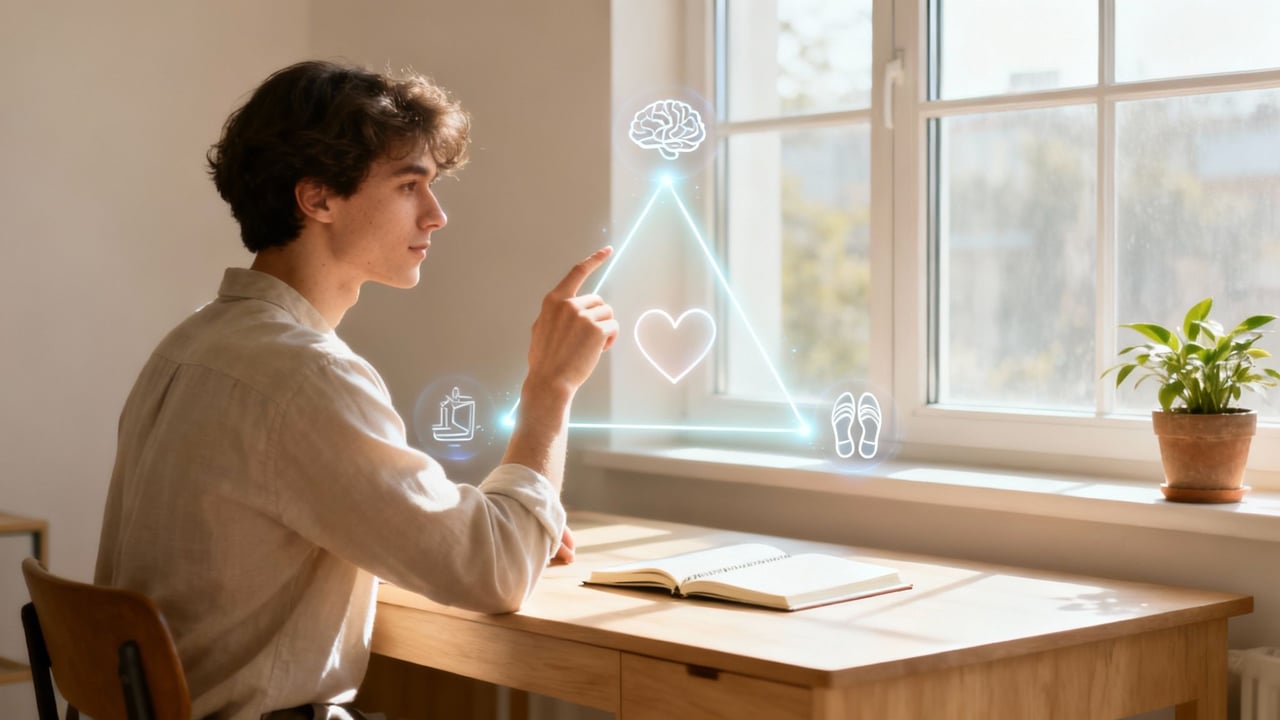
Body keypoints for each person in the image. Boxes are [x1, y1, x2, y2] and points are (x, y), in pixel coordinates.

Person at [94, 59, 618, 720]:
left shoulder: (192, 344)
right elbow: (497, 574)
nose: (437, 216)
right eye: (409, 185)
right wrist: (550, 386)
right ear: (318, 199)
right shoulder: (304, 374)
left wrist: (504, 520)